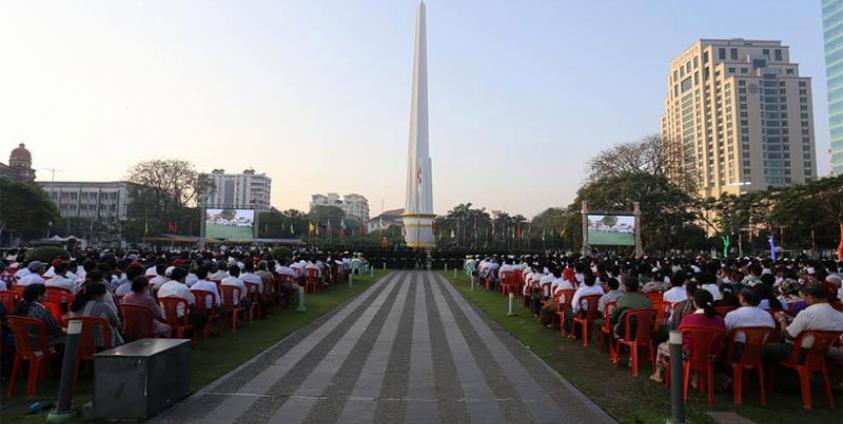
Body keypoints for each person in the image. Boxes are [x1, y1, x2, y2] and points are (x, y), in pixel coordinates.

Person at [651, 289, 726, 383]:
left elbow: (677, 337)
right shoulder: (720, 320)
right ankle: (695, 377)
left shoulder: (689, 319)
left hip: (688, 355)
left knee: (662, 346)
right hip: (711, 356)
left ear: (695, 303)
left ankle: (658, 374)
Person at [764, 282, 843, 362]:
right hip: (823, 352)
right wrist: (790, 318)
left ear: (810, 298)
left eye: (804, 298)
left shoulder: (807, 313)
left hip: (799, 353)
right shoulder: (840, 315)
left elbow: (788, 335)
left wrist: (781, 320)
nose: (804, 301)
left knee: (764, 348)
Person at [11, 284, 65, 349]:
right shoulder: (42, 310)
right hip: (40, 346)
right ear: (39, 296)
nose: (46, 295)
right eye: (45, 293)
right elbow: (56, 331)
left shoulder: (19, 307)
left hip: (20, 345)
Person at [70, 282, 123, 347]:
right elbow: (117, 324)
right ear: (97, 295)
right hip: (103, 344)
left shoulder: (77, 306)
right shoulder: (104, 306)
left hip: (81, 344)